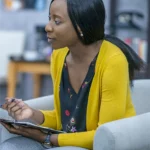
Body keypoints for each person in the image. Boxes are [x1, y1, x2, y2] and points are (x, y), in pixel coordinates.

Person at [0, 0, 143, 149]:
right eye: (49, 19)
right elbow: (66, 119)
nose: (48, 27)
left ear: (80, 26)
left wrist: (46, 138)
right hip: (64, 141)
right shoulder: (59, 56)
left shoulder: (113, 61)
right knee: (11, 146)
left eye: (57, 21)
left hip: (99, 145)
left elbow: (104, 135)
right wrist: (31, 114)